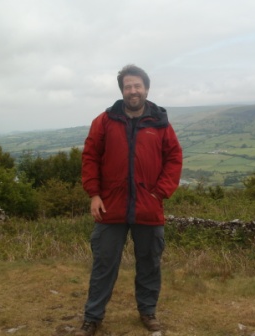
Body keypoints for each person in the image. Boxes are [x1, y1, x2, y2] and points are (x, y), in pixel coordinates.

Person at [76, 64, 183, 335]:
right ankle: (93, 317)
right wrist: (94, 194)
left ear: (146, 88)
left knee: (149, 264)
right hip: (110, 206)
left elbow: (174, 157)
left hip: (148, 206)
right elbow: (90, 157)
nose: (133, 91)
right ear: (122, 90)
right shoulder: (104, 121)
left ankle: (147, 313)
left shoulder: (159, 122)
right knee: (104, 264)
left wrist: (161, 191)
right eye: (128, 86)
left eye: (137, 86)